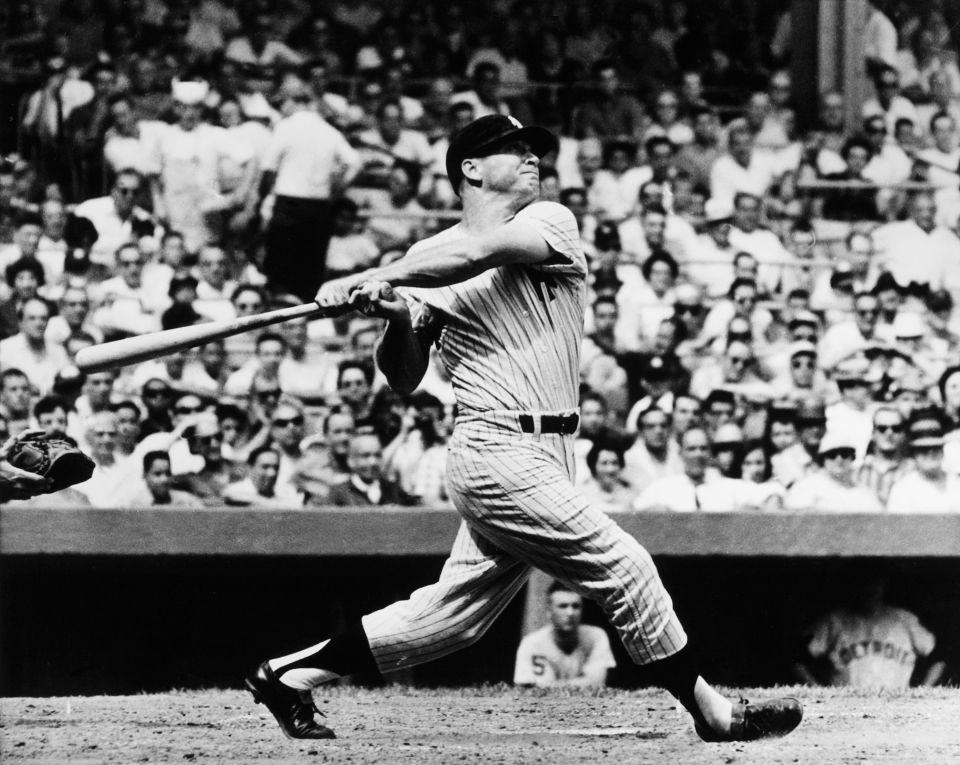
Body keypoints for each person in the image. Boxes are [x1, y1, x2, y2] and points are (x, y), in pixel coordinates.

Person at [246, 115, 802, 742]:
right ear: (471, 170)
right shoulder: (425, 265)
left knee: (453, 619)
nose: (532, 157)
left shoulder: (546, 223)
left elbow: (475, 254)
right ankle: (713, 714)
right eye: (511, 149)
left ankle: (287, 675)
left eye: (533, 148)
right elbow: (402, 376)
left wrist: (376, 277)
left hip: (553, 450)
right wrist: (396, 316)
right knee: (625, 566)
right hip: (493, 447)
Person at [258, 78, 361, 301]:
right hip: (318, 207)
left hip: (289, 206)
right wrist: (337, 188)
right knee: (309, 273)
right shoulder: (329, 131)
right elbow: (355, 162)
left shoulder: (285, 127)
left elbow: (268, 171)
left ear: (293, 102)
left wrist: (263, 198)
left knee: (280, 271)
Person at [795, 569, 944, 689]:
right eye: (864, 584)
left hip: (895, 704)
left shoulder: (904, 619)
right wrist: (818, 692)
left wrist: (925, 691)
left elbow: (938, 657)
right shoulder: (835, 620)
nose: (869, 590)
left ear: (883, 586)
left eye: (875, 584)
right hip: (847, 704)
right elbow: (797, 659)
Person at [513, 580, 616, 688]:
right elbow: (536, 690)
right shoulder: (532, 643)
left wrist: (552, 685)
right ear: (549, 611)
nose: (570, 613)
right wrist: (584, 682)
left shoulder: (595, 636)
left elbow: (597, 683)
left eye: (575, 606)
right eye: (563, 606)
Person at [138, 450, 204, 508]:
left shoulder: (187, 501)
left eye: (168, 473)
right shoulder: (137, 506)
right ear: (145, 475)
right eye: (158, 474)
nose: (164, 479)